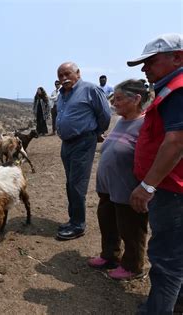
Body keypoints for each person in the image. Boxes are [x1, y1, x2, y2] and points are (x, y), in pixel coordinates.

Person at [127, 33, 183, 314]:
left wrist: (148, 186)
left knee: (166, 257)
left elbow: (176, 141)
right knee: (176, 252)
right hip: (172, 187)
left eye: (151, 61)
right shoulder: (169, 88)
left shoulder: (178, 90)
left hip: (171, 190)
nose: (144, 68)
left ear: (178, 57)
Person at [89, 79, 149, 281]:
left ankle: (133, 266)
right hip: (107, 188)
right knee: (107, 222)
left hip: (127, 189)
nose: (114, 103)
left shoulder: (146, 123)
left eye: (119, 99)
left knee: (130, 228)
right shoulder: (121, 120)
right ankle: (110, 256)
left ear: (136, 99)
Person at [55, 62, 111, 240]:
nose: (64, 78)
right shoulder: (62, 94)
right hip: (67, 143)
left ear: (78, 73)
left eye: (67, 74)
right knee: (70, 182)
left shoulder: (90, 90)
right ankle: (73, 219)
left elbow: (105, 114)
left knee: (77, 184)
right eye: (60, 75)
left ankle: (78, 225)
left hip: (83, 141)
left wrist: (95, 133)